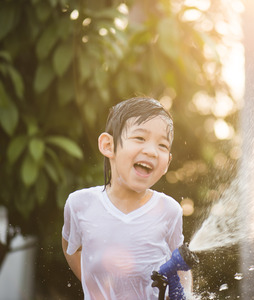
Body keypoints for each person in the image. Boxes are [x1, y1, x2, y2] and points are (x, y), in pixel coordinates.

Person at [62, 97, 192, 299]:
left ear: (167, 163)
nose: (151, 151)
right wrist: (93, 285)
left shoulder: (169, 211)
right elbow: (71, 247)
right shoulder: (80, 204)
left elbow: (180, 265)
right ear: (108, 145)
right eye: (140, 138)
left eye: (163, 145)